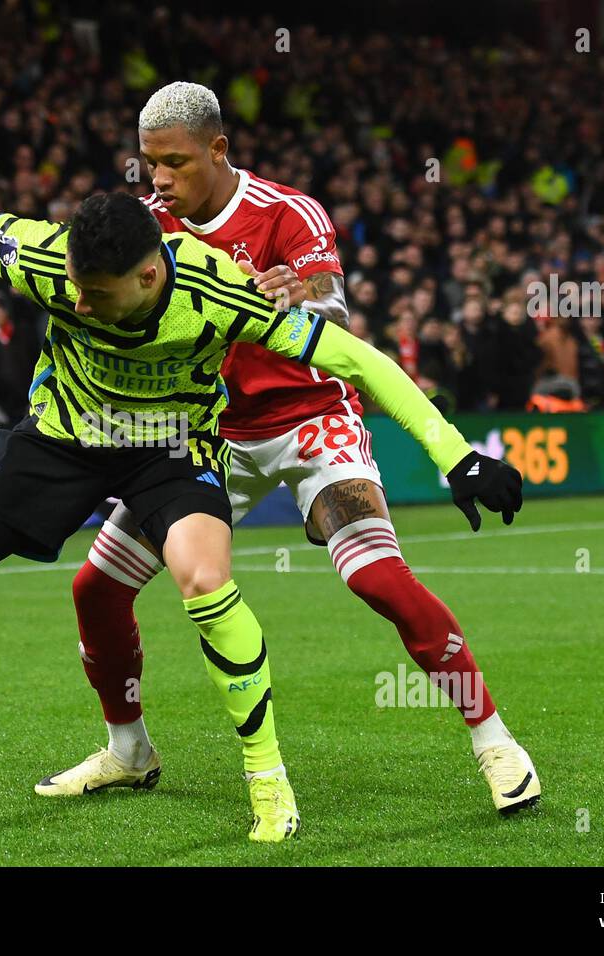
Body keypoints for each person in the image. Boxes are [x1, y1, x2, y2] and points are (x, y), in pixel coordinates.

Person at [0, 190, 522, 842]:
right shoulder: (47, 258)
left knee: (205, 580)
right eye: (75, 287)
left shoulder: (219, 289)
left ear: (148, 277)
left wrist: (455, 454)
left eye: (95, 293)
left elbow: (358, 359)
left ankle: (268, 776)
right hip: (61, 437)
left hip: (170, 448)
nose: (77, 303)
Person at [43, 82, 540, 816]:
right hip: (210, 434)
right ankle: (128, 750)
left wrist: (295, 292)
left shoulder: (287, 212)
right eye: (150, 164)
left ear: (218, 149)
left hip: (311, 420)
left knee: (378, 580)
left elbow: (332, 305)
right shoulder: (146, 229)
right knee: (96, 588)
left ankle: (496, 742)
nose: (161, 180)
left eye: (176, 163)